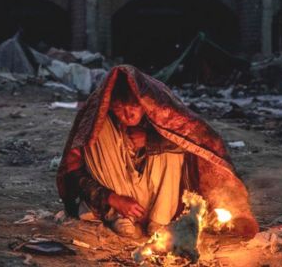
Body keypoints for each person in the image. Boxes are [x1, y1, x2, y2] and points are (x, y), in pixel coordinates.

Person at [56, 65, 259, 239]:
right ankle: (119, 217)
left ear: (146, 105)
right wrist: (112, 199)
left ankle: (159, 222)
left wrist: (152, 141)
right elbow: (74, 172)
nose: (129, 114)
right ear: (109, 105)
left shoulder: (161, 118)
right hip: (116, 199)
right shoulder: (99, 121)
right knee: (97, 131)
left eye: (135, 105)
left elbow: (201, 141)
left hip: (158, 200)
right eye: (120, 107)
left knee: (172, 141)